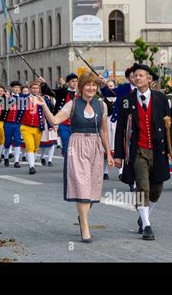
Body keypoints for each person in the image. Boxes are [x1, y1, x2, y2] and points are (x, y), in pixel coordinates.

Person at [33, 71, 113, 243]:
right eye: (87, 85)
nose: (91, 88)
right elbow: (54, 121)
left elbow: (104, 130)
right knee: (82, 186)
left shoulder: (102, 105)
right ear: (81, 87)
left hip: (96, 146)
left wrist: (109, 153)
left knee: (93, 187)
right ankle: (85, 226)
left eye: (94, 85)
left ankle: (82, 216)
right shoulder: (73, 105)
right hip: (77, 145)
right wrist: (43, 105)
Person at [114, 63, 172, 241]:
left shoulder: (161, 99)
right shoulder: (127, 100)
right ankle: (147, 225)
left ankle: (143, 217)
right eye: (135, 75)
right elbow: (120, 130)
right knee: (143, 187)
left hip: (158, 150)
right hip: (137, 151)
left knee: (157, 190)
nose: (137, 78)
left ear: (149, 79)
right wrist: (118, 154)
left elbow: (168, 125)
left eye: (141, 75)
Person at [39, 74, 78, 156]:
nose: (75, 83)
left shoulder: (81, 94)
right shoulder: (62, 92)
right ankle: (66, 162)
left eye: (76, 81)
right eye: (72, 81)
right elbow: (49, 92)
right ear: (67, 83)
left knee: (76, 146)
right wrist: (44, 84)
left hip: (77, 124)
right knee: (66, 143)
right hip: (64, 123)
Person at [18, 81, 47, 175]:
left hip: (38, 127)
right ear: (30, 89)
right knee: (30, 146)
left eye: (37, 88)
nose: (35, 90)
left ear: (39, 89)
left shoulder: (42, 100)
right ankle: (31, 166)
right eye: (33, 88)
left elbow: (47, 113)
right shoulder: (23, 98)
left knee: (35, 147)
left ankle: (32, 163)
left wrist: (51, 125)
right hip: (25, 127)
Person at [1, 81, 23, 167]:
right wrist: (6, 99)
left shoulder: (22, 98)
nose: (17, 89)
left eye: (18, 87)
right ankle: (6, 157)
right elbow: (2, 109)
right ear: (12, 88)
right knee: (7, 141)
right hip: (8, 123)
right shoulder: (6, 97)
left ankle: (16, 161)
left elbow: (24, 111)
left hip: (18, 123)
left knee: (18, 141)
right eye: (15, 87)